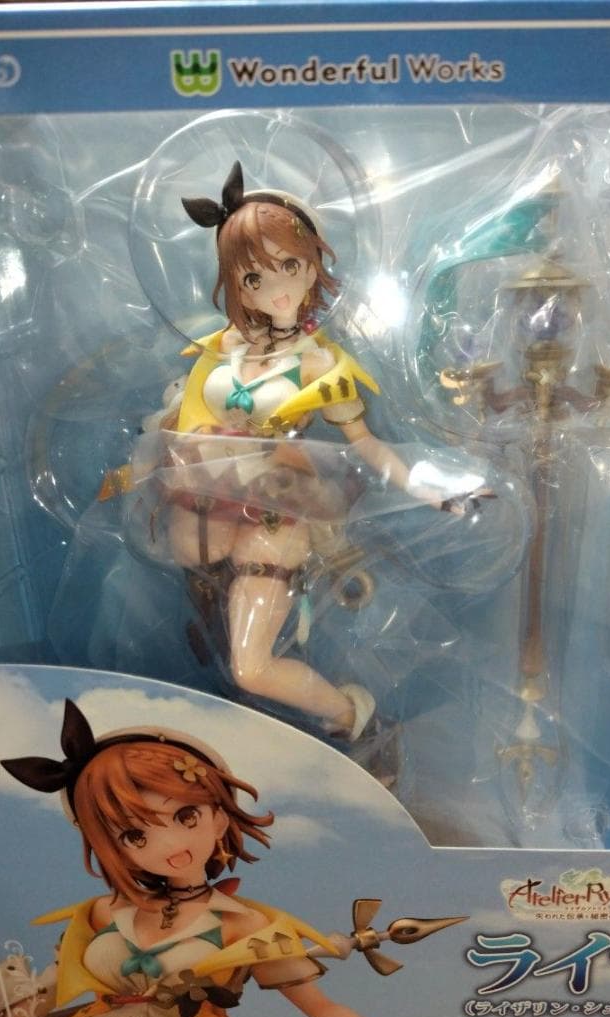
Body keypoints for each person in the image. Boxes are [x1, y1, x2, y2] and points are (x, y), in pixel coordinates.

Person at [157, 160, 459, 749]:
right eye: (252, 276)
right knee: (203, 597)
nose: (274, 288)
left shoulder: (320, 363)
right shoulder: (220, 347)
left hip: (276, 510)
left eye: (289, 266)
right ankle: (251, 735)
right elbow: (187, 420)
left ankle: (352, 717)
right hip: (208, 503)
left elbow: (365, 443)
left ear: (313, 263)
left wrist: (427, 487)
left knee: (251, 667)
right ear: (235, 283)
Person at [0, 699, 419, 1017]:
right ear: (114, 848)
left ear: (219, 818)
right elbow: (40, 998)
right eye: (135, 835)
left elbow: (320, 1008)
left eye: (186, 816)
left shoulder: (245, 924)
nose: (169, 844)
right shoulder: (100, 914)